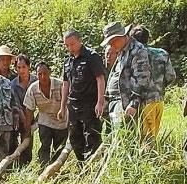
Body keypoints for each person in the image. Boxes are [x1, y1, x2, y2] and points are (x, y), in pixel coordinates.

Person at [58, 29, 106, 163]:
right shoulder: (67, 61)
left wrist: (100, 102)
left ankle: (93, 168)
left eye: (72, 44)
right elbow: (65, 84)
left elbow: (100, 79)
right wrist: (62, 107)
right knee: (75, 138)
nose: (69, 48)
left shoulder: (91, 56)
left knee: (91, 137)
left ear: (80, 41)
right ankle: (82, 167)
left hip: (89, 105)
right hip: (73, 106)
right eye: (66, 45)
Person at [130, 25, 176, 142]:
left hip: (143, 102)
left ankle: (149, 160)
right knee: (153, 137)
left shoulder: (134, 55)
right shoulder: (162, 53)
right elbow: (171, 76)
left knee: (144, 139)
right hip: (159, 100)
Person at [101, 22, 151, 129]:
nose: (111, 46)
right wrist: (105, 100)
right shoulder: (122, 51)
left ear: (122, 36)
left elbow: (142, 79)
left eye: (113, 41)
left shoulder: (137, 50)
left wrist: (134, 104)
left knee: (124, 137)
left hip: (126, 105)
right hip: (114, 103)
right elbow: (115, 74)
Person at [24, 62, 68, 166]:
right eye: (39, 74)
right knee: (45, 145)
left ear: (50, 73)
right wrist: (27, 129)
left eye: (45, 73)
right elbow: (29, 110)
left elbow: (69, 104)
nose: (43, 77)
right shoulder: (33, 88)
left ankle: (56, 168)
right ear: (36, 74)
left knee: (59, 148)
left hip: (61, 122)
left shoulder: (60, 85)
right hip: (45, 121)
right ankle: (43, 166)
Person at [11, 54, 37, 166]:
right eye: (18, 67)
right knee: (14, 141)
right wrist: (24, 119)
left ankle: (26, 164)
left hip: (33, 116)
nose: (21, 70)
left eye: (23, 67)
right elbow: (16, 104)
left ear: (28, 67)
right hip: (18, 116)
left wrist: (30, 121)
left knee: (28, 142)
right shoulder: (13, 84)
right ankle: (15, 164)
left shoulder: (36, 80)